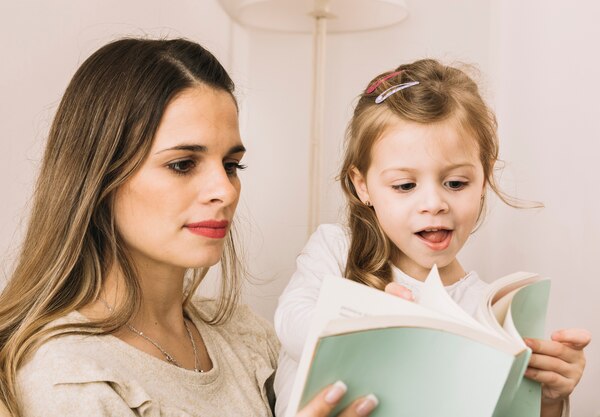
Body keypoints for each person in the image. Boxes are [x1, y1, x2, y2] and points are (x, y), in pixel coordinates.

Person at [0, 38, 378, 417]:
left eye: (231, 165)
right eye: (182, 164)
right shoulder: (69, 377)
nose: (225, 191)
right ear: (98, 179)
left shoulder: (245, 335)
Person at [274, 59, 591, 417]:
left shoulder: (487, 311)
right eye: (405, 186)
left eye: (456, 183)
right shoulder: (336, 249)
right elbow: (290, 321)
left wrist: (549, 396)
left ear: (484, 179)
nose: (434, 204)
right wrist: (377, 320)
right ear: (363, 186)